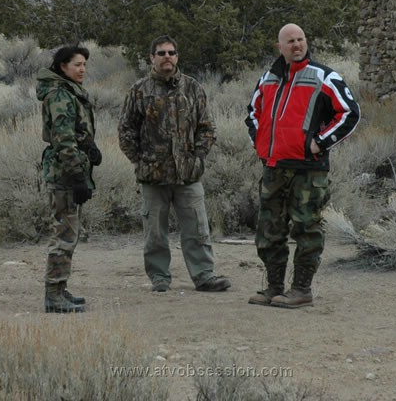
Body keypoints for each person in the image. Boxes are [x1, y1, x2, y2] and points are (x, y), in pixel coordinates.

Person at [245, 23, 360, 308]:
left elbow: (349, 113)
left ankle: (301, 289)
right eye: (290, 41)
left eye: (301, 39)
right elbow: (252, 113)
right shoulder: (268, 78)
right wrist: (261, 144)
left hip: (308, 170)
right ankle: (273, 288)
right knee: (269, 230)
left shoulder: (324, 76)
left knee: (306, 228)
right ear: (279, 47)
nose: (297, 45)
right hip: (273, 166)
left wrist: (319, 142)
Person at [118, 35, 231, 293]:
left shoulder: (192, 88)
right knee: (155, 233)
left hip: (188, 176)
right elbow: (126, 130)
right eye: (161, 53)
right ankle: (159, 278)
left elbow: (207, 128)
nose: (166, 57)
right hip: (152, 176)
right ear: (152, 58)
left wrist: (197, 157)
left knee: (197, 229)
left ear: (177, 56)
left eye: (171, 52)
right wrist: (140, 160)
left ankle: (204, 276)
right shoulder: (139, 91)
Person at [36, 44, 102, 313]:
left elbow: (75, 133)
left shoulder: (68, 92)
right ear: (63, 66)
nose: (82, 69)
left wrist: (90, 149)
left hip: (68, 170)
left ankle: (60, 288)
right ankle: (54, 294)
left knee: (68, 232)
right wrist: (77, 176)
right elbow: (64, 140)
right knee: (64, 234)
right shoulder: (60, 95)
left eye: (84, 64)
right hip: (64, 174)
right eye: (77, 65)